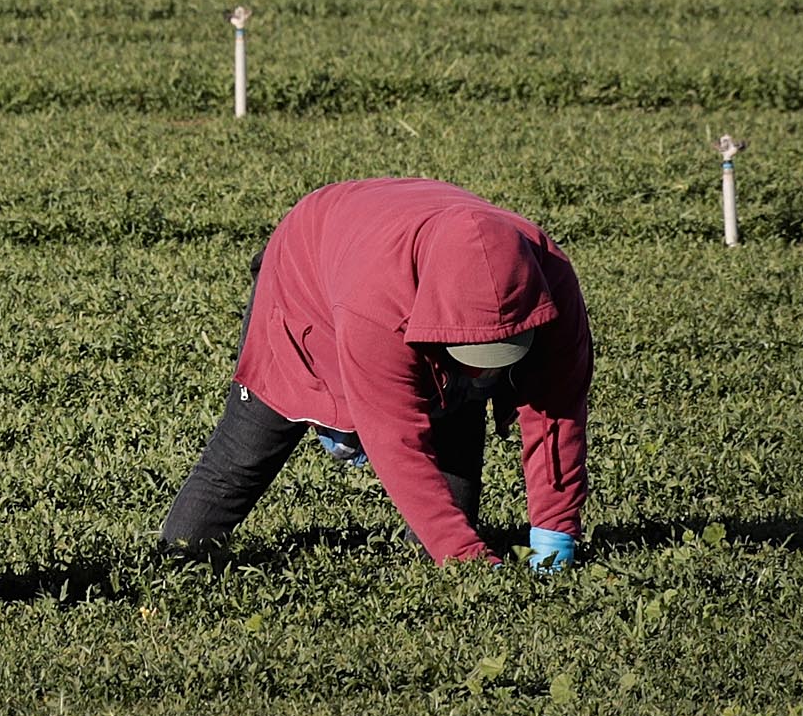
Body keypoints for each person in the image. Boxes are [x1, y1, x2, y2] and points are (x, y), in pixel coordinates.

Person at [158, 177, 592, 568]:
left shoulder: (551, 280)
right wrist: (467, 556)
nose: (483, 372)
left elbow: (558, 410)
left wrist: (556, 532)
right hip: (310, 268)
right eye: (471, 351)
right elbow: (396, 439)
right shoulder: (375, 303)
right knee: (249, 444)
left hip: (400, 270)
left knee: (447, 516)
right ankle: (176, 560)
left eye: (501, 351)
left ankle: (445, 556)